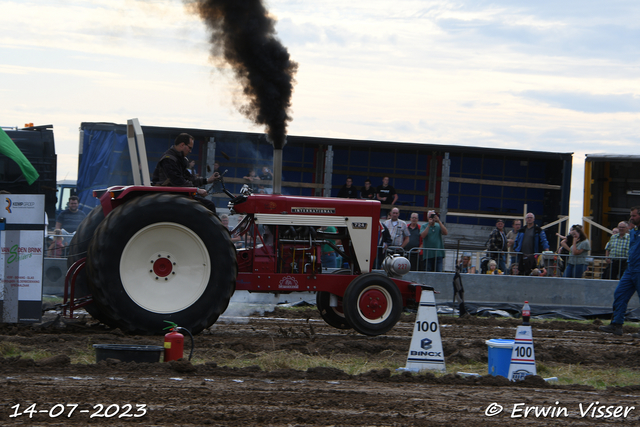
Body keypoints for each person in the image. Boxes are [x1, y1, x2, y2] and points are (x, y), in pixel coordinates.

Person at [151, 133, 219, 213]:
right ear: (182, 145)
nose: (190, 151)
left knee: (208, 205)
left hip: (175, 194)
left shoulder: (180, 160)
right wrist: (197, 190)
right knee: (209, 205)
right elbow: (177, 181)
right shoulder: (168, 159)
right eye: (189, 148)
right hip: (166, 195)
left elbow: (189, 178)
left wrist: (207, 180)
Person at [600, 207, 640, 337]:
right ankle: (616, 324)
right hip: (631, 268)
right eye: (631, 215)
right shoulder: (634, 231)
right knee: (620, 294)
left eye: (634, 216)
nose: (631, 218)